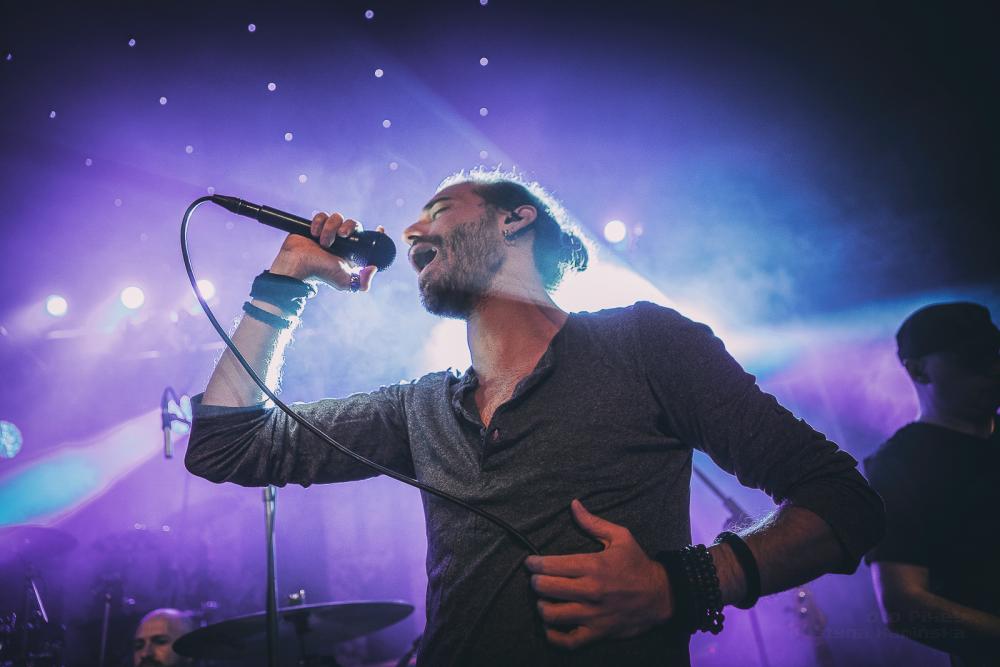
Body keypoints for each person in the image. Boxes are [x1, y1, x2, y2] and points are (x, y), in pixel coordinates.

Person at [186, 169, 885, 665]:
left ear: (514, 218)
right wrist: (286, 280)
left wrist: (683, 583)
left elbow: (844, 500)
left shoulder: (643, 344)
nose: (411, 228)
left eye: (439, 209)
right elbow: (226, 446)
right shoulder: (419, 406)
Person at [866, 302, 1000, 667]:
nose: (993, 368)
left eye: (994, 354)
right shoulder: (897, 465)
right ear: (918, 370)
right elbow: (902, 603)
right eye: (971, 359)